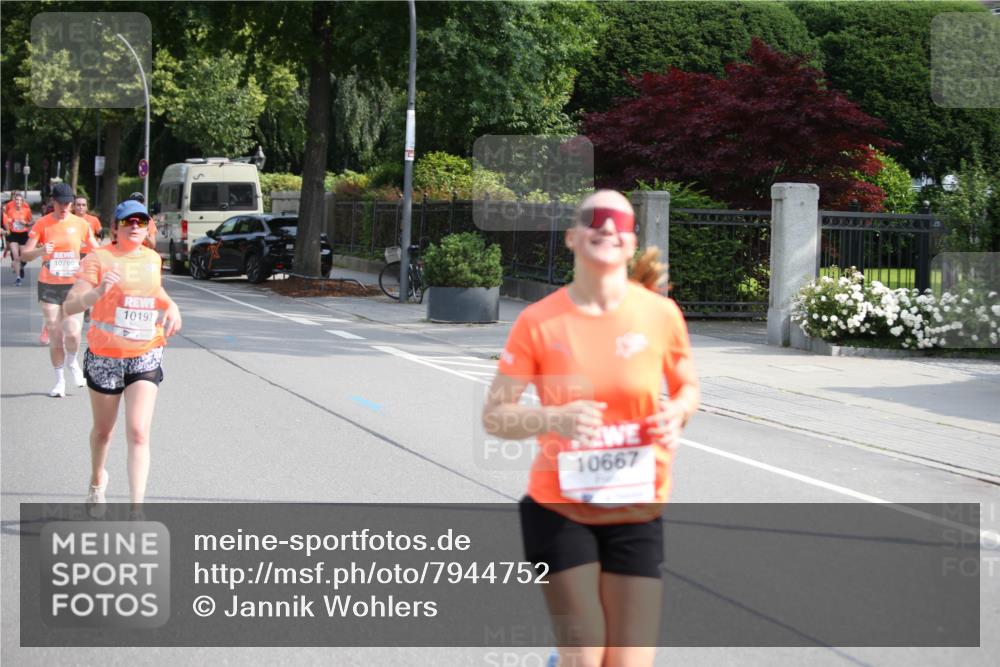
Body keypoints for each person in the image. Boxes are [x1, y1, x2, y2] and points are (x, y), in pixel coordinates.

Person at [482, 190, 700, 667]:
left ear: (629, 242)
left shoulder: (661, 315)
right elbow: (495, 414)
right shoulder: (539, 322)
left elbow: (688, 389)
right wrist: (553, 418)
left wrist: (677, 414)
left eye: (618, 220)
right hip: (560, 509)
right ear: (572, 237)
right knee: (587, 655)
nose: (606, 226)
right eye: (593, 218)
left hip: (637, 507)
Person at [63, 199, 181, 516]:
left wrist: (171, 305)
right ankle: (97, 480)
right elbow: (71, 306)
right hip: (105, 356)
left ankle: (136, 511)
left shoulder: (153, 259)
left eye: (140, 222)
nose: (134, 227)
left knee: (139, 432)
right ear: (114, 227)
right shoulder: (98, 258)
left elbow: (156, 292)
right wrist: (97, 292)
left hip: (145, 353)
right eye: (127, 222)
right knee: (104, 432)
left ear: (146, 228)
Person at [20, 183, 98, 396]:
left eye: (68, 203)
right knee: (55, 334)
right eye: (60, 203)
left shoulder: (81, 224)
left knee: (73, 333)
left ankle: (72, 363)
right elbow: (25, 254)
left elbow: (96, 248)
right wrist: (40, 250)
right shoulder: (42, 224)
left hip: (74, 285)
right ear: (52, 202)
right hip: (49, 286)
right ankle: (59, 381)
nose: (64, 207)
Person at [2, 191, 33, 286]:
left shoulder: (26, 210)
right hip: (13, 235)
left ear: (22, 201)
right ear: (14, 201)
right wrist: (8, 224)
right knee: (15, 257)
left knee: (23, 256)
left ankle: (21, 266)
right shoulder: (10, 210)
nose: (18, 202)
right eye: (16, 200)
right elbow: (5, 219)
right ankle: (18, 278)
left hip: (23, 234)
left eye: (20, 200)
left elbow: (31, 222)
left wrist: (26, 223)